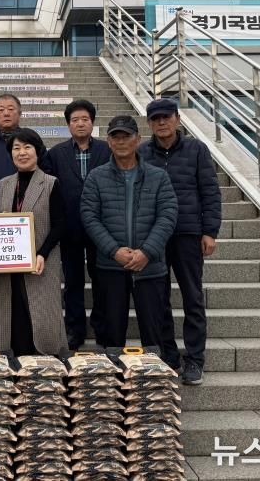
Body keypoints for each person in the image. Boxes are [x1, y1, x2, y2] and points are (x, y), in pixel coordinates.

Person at [139, 98, 222, 386]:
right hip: (154, 237)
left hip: (188, 233)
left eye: (167, 117)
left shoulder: (196, 149)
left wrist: (210, 231)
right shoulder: (142, 152)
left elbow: (210, 191)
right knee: (158, 298)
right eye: (156, 118)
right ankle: (169, 356)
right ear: (149, 123)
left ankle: (195, 359)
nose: (162, 122)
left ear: (177, 119)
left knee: (192, 297)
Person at [80, 115, 178, 355]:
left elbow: (167, 215)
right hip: (110, 266)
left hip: (150, 266)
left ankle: (155, 373)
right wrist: (114, 251)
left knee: (154, 332)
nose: (121, 141)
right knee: (112, 332)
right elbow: (89, 216)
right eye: (116, 137)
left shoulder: (158, 176)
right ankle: (114, 373)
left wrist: (147, 251)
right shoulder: (96, 177)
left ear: (138, 139)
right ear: (108, 141)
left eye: (127, 136)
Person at [0, 128, 66, 356]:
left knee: (41, 316)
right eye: (16, 148)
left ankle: (46, 360)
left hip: (41, 262)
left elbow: (60, 224)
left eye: (27, 147)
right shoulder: (3, 184)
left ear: (37, 151)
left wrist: (42, 253)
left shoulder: (50, 183)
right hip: (8, 265)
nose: (22, 153)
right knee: (11, 316)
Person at [47, 99, 111, 350]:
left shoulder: (106, 150)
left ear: (92, 122)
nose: (80, 123)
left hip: (102, 227)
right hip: (69, 227)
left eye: (85, 119)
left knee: (101, 279)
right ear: (68, 125)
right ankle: (75, 329)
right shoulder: (56, 154)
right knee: (72, 281)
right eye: (75, 120)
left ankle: (102, 326)